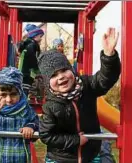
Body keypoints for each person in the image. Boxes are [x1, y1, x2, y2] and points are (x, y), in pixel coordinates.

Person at [37, 27, 121, 163]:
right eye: (53, 75)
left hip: (90, 154)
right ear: (47, 83)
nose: (61, 77)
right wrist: (75, 140)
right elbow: (46, 135)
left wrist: (108, 55)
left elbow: (105, 79)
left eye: (64, 70)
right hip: (61, 158)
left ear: (72, 70)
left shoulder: (86, 85)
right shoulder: (51, 105)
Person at [17, 24, 44, 96]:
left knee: (24, 88)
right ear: (34, 36)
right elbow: (32, 58)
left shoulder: (27, 44)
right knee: (26, 88)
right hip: (27, 72)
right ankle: (25, 101)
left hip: (23, 71)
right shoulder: (32, 45)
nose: (41, 38)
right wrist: (37, 69)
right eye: (40, 36)